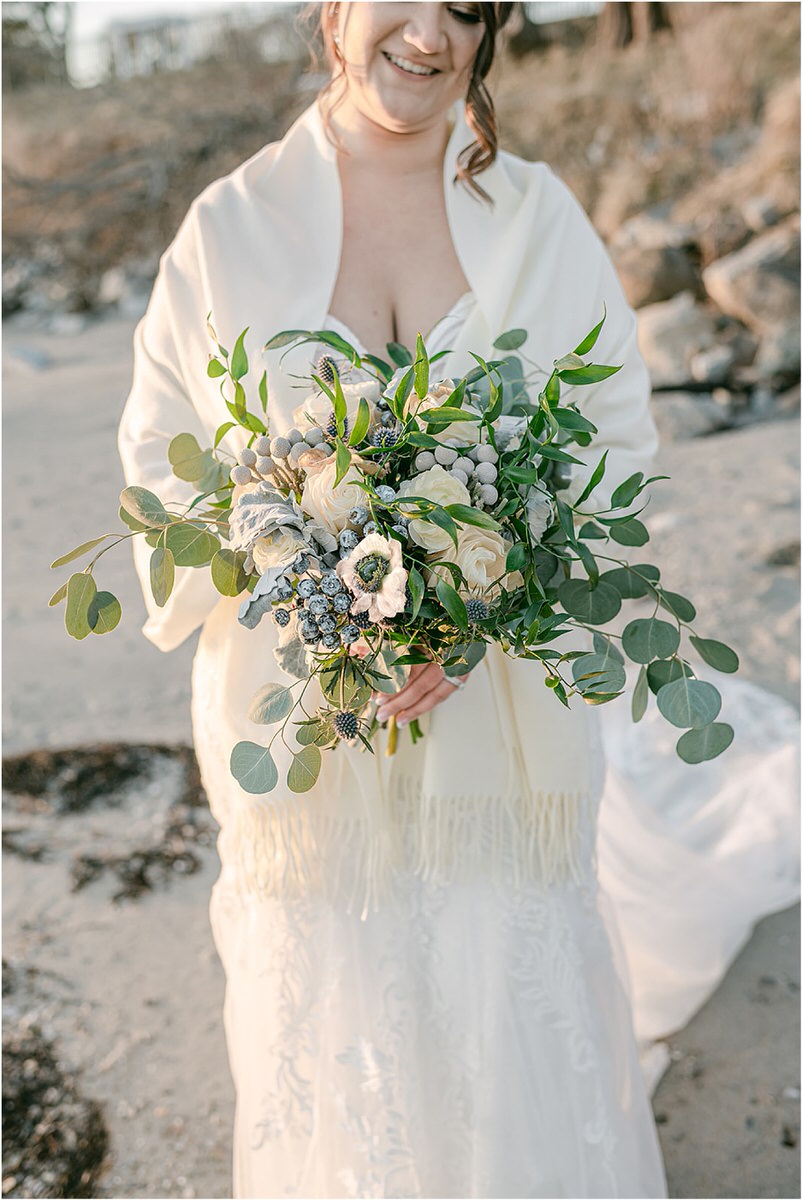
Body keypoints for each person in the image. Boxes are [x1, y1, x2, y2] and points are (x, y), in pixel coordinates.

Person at [118, 4, 799, 1197]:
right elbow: (163, 463)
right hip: (305, 724)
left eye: (467, 6)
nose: (429, 30)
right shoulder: (226, 229)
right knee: (335, 1009)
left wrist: (480, 614)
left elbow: (614, 451)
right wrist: (310, 593)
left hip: (497, 718)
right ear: (333, 14)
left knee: (499, 998)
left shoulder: (535, 218)